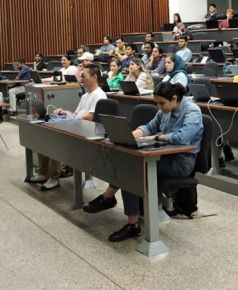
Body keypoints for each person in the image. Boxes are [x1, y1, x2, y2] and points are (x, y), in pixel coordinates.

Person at [82, 82, 203, 242]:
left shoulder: (192, 111)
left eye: (162, 103)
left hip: (181, 162)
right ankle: (113, 203)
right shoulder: (165, 110)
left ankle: (119, 210)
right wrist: (130, 135)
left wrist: (154, 137)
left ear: (174, 98)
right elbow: (149, 127)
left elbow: (182, 137)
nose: (159, 108)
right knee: (128, 162)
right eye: (157, 103)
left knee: (131, 169)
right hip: (163, 155)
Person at [36, 64, 107, 191]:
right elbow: (77, 113)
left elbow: (90, 118)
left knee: (54, 140)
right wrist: (66, 112)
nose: (81, 79)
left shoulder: (99, 95)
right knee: (44, 136)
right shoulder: (86, 95)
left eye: (84, 76)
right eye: (80, 76)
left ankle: (54, 177)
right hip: (78, 125)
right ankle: (44, 173)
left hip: (88, 131)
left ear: (94, 77)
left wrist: (73, 117)